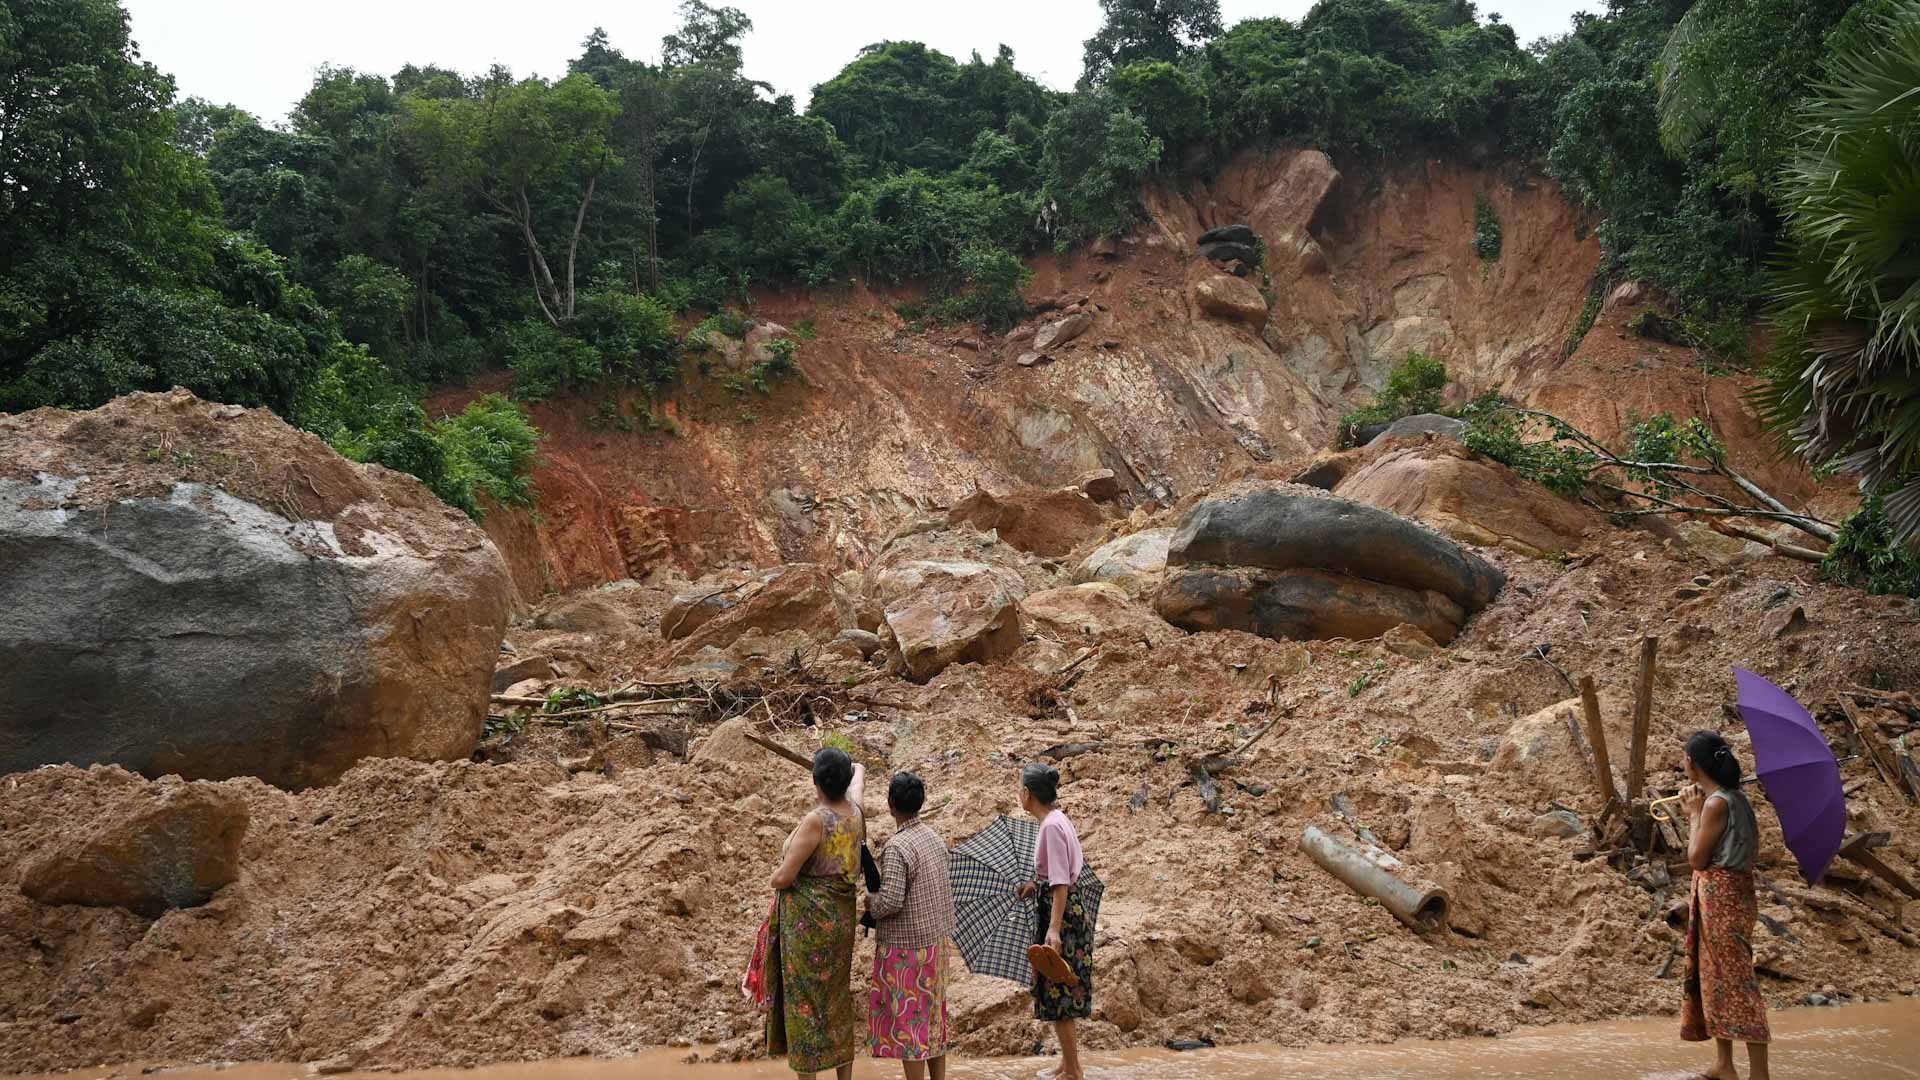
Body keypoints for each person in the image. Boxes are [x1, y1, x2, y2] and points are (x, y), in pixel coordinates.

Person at [767, 747, 867, 1080]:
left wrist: (773, 876)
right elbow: (860, 775)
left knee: (805, 1002)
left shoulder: (816, 820)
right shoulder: (856, 812)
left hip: (809, 929)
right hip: (841, 923)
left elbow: (785, 877)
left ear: (815, 781)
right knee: (837, 1000)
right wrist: (853, 769)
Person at [1679, 731, 1770, 1080]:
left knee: (1735, 980)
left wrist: (1693, 813)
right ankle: (1724, 1064)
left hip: (1721, 895)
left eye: (1684, 758)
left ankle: (1758, 1074)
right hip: (1735, 894)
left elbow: (1697, 858)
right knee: (1716, 976)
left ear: (1693, 763)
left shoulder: (1716, 804)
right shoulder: (1735, 798)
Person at [865, 771, 956, 1079]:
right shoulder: (933, 838)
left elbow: (889, 902)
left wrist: (868, 904)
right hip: (937, 943)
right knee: (933, 1021)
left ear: (891, 804)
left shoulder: (897, 847)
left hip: (907, 952)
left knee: (909, 1027)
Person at [1015, 763, 1093, 1080]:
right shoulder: (1057, 819)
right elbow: (1055, 874)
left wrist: (1054, 929)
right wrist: (1035, 884)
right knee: (1058, 986)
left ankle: (1073, 1070)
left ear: (1027, 794)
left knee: (1060, 988)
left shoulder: (1049, 826)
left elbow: (1061, 882)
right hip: (1064, 907)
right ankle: (1067, 1064)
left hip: (1062, 914)